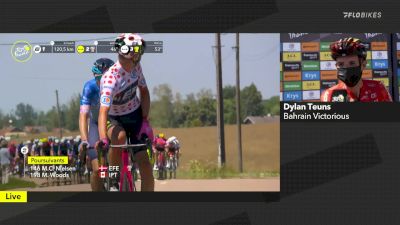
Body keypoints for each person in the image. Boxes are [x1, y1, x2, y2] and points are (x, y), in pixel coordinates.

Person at [97, 33, 154, 191]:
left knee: (145, 164)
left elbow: (144, 92)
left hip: (134, 115)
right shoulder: (110, 80)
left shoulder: (137, 68)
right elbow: (103, 112)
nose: (139, 55)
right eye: (136, 52)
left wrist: (145, 120)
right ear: (127, 54)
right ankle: (114, 181)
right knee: (119, 138)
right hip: (114, 118)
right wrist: (103, 139)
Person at [79, 57, 114, 191]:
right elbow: (83, 115)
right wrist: (84, 140)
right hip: (95, 123)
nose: (104, 82)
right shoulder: (89, 87)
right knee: (98, 169)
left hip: (114, 121)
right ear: (95, 76)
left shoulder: (117, 84)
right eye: (100, 79)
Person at [321, 37, 392, 102]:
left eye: (352, 63)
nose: (346, 68)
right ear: (336, 67)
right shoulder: (329, 95)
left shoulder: (378, 88)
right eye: (341, 64)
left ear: (363, 65)